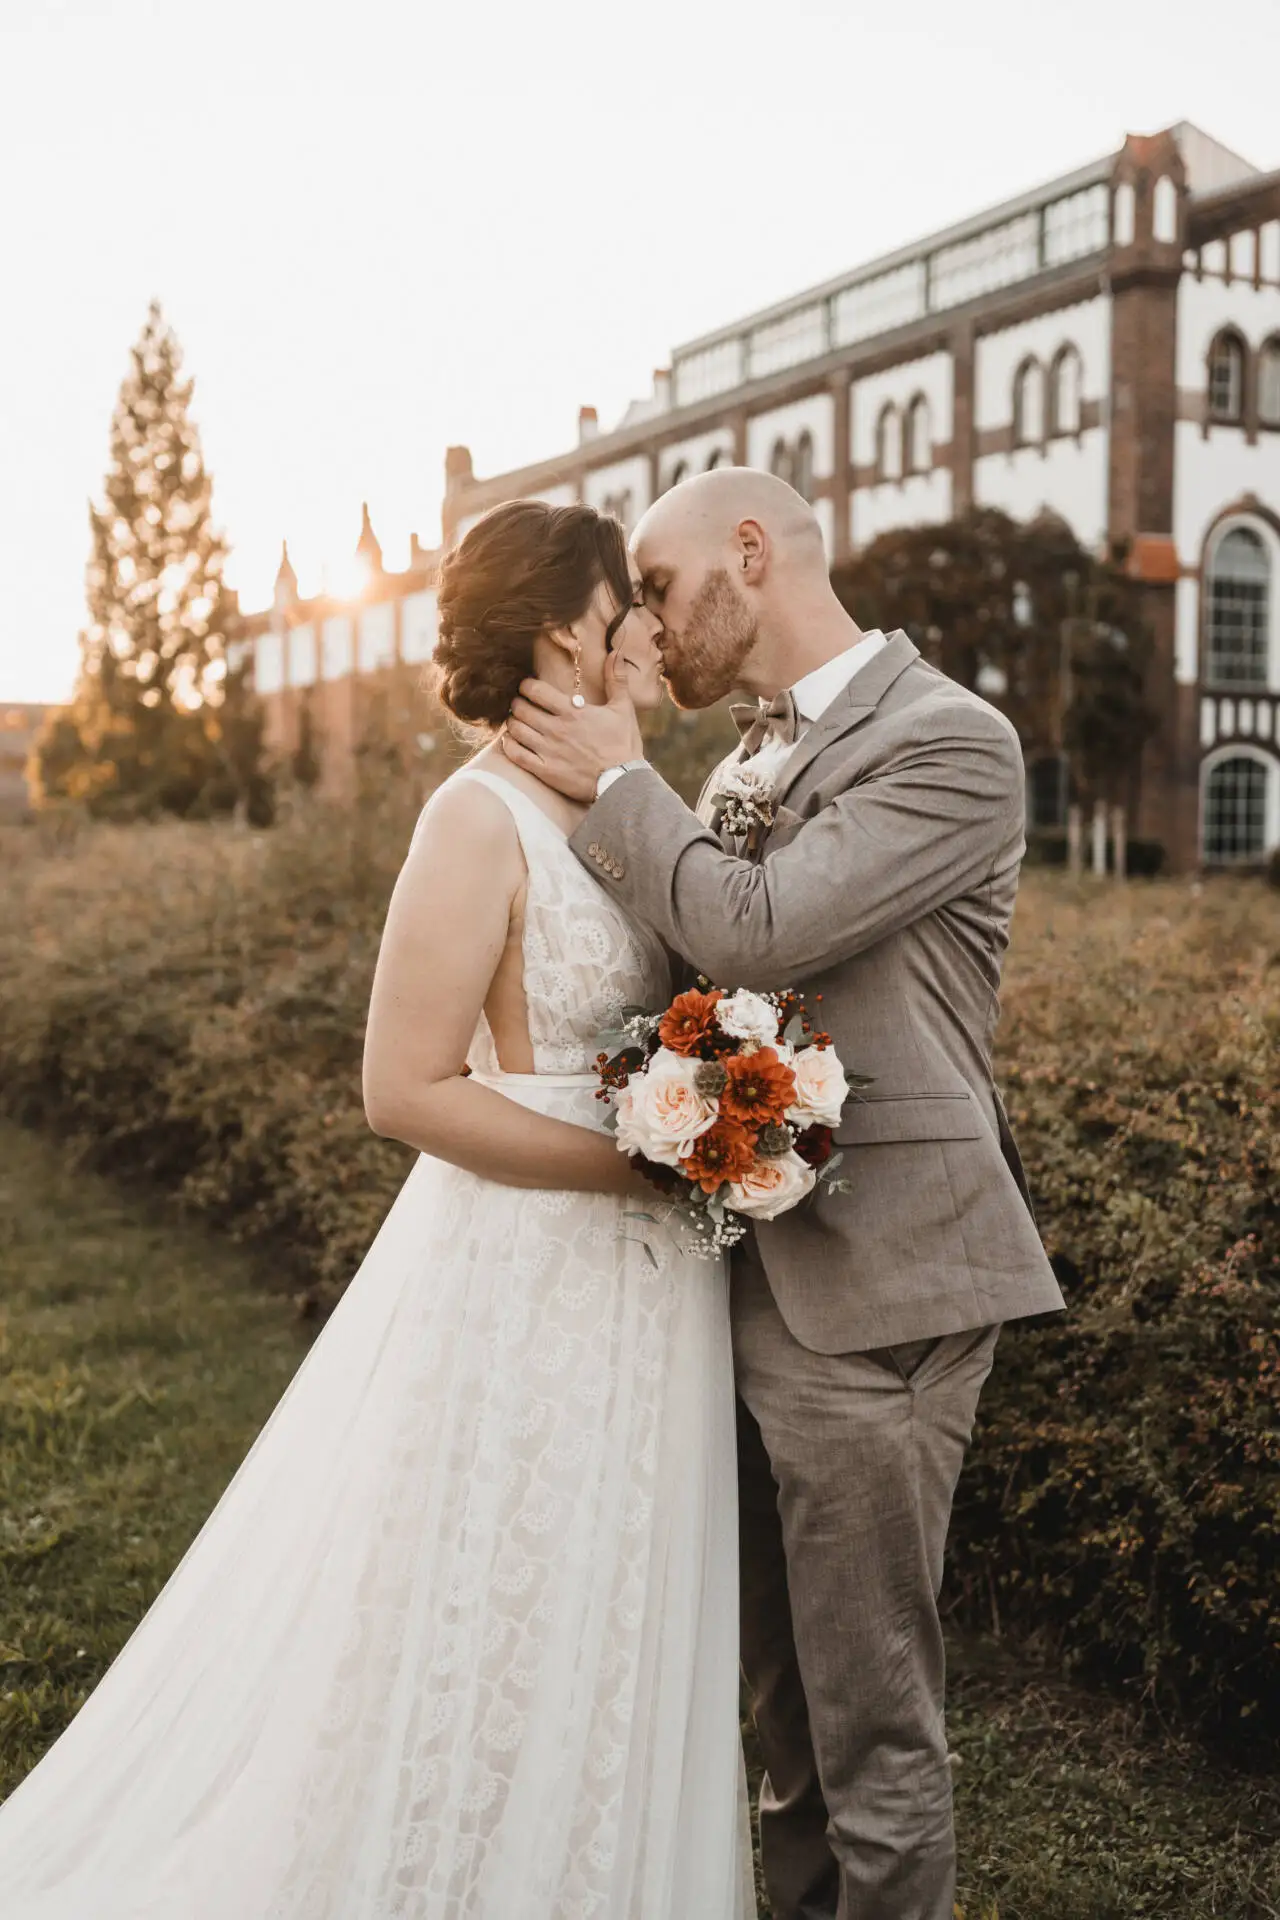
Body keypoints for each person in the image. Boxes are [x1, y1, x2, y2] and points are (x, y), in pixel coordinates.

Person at [0, 500, 754, 1920]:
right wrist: (648, 1161)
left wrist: (717, 1118)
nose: (652, 629)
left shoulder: (627, 798)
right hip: (541, 1275)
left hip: (664, 1283)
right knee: (514, 1595)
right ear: (560, 627)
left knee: (630, 1600)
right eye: (627, 606)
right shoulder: (474, 819)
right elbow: (401, 1088)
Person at [502, 466, 1066, 1920]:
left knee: (872, 1728)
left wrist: (619, 780)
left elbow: (763, 932)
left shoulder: (953, 742)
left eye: (663, 586)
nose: (644, 622)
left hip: (884, 1288)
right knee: (782, 1730)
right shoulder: (740, 761)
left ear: (748, 557)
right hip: (741, 1270)